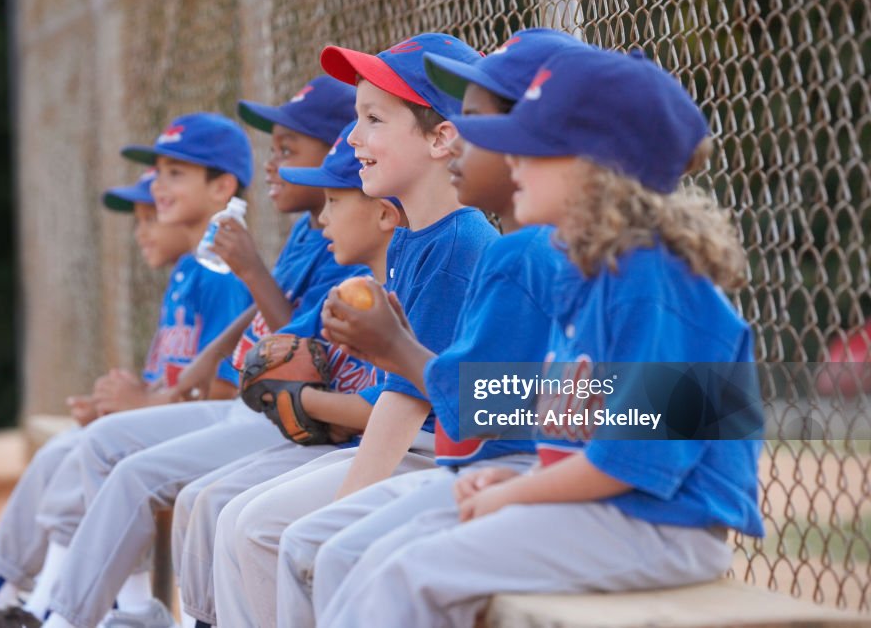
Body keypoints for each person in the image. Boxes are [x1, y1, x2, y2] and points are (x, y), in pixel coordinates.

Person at [316, 45, 764, 628]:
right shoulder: (599, 274)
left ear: (594, 166)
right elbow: (593, 430)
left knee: (413, 570)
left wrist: (513, 494)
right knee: (384, 552)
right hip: (619, 509)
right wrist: (521, 479)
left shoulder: (654, 285)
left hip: (663, 527)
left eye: (533, 146)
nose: (513, 160)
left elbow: (629, 460)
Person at [272, 27, 584, 628]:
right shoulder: (522, 252)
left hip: (617, 512)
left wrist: (396, 351)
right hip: (505, 472)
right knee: (330, 548)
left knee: (348, 555)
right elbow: (509, 408)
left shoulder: (535, 256)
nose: (461, 139)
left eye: (479, 125)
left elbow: (685, 410)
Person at [34, 79, 366, 628]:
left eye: (288, 149)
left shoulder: (346, 238)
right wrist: (209, 355)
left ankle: (72, 617)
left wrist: (250, 269)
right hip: (257, 407)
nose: (272, 163)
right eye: (273, 148)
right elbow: (262, 325)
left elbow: (301, 356)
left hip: (287, 416)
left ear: (335, 153)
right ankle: (132, 610)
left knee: (150, 478)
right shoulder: (312, 231)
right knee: (99, 444)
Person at [0, 132, 252, 628]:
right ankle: (8, 598)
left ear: (221, 189)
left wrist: (136, 408)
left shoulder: (219, 276)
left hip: (205, 432)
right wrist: (119, 405)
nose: (144, 225)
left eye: (171, 178)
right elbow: (168, 386)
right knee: (60, 453)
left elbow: (224, 389)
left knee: (80, 459)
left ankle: (38, 609)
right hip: (166, 425)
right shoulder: (186, 275)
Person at [210, 32, 497, 628]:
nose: (355, 138)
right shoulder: (417, 237)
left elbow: (408, 401)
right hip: (427, 446)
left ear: (442, 137)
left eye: (373, 119)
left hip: (448, 452)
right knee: (244, 518)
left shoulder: (458, 240)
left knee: (275, 532)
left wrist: (341, 513)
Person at [172, 121, 402, 628]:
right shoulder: (355, 279)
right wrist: (297, 395)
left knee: (259, 527)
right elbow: (266, 366)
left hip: (412, 450)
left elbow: (429, 403)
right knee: (210, 504)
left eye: (334, 203)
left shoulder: (445, 261)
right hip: (365, 443)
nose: (322, 222)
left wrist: (311, 403)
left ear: (384, 211)